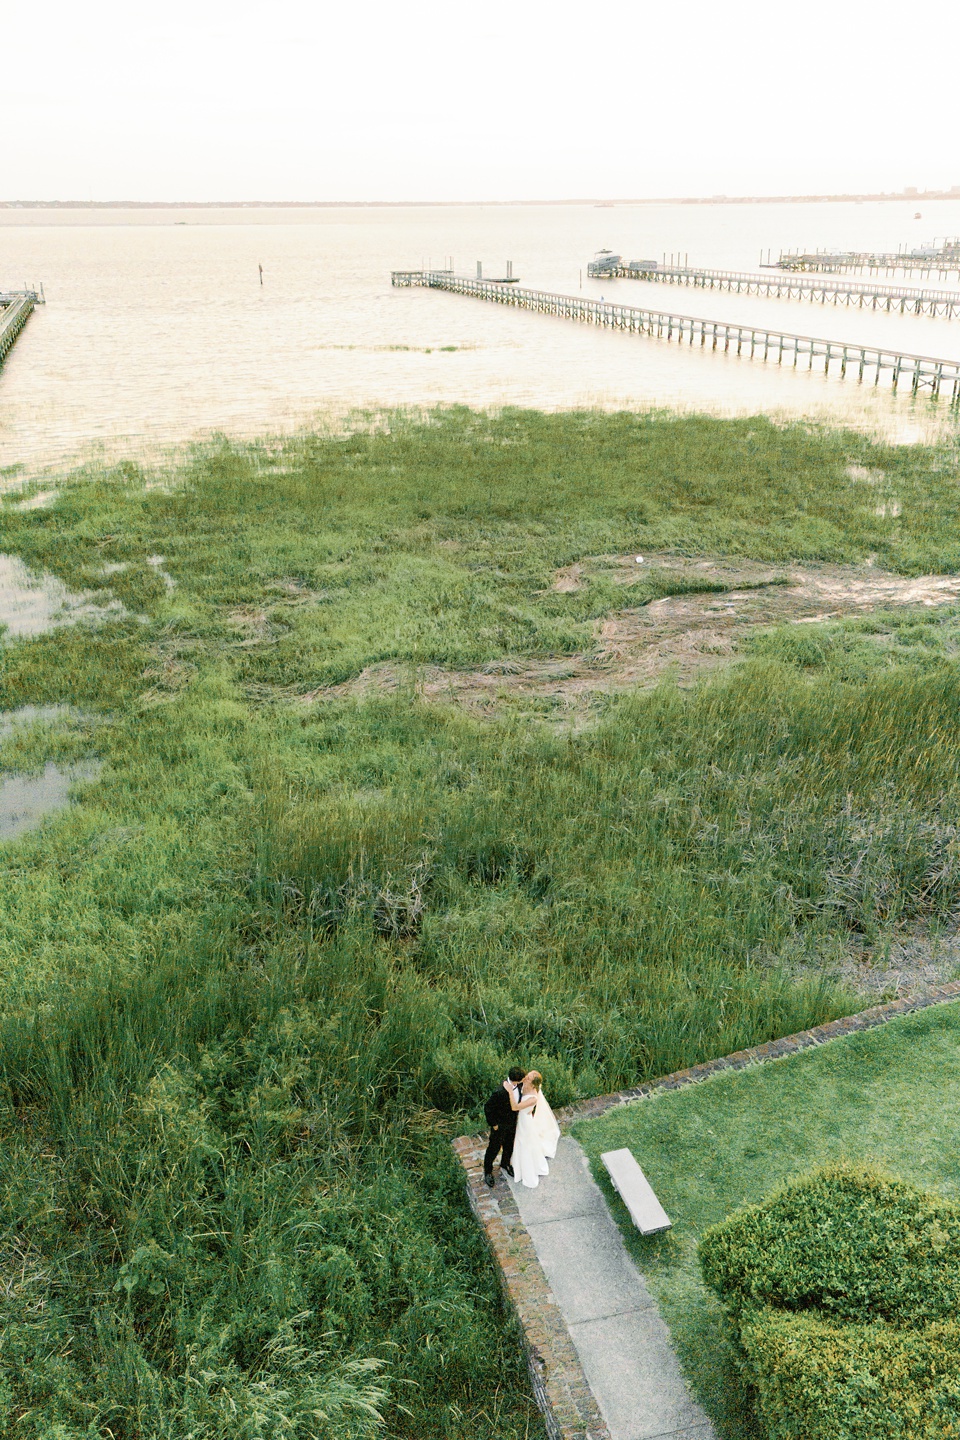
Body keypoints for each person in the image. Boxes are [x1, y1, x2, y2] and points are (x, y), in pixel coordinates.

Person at [503, 1071, 561, 1189]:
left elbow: (515, 1107)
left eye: (528, 1078)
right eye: (527, 1076)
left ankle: (524, 1168)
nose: (525, 1078)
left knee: (524, 1143)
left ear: (533, 1084)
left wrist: (509, 1091)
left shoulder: (533, 1098)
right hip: (521, 1118)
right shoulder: (524, 1083)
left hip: (525, 1122)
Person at [483, 1067, 525, 1188]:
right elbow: (488, 1108)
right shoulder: (499, 1091)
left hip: (512, 1124)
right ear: (515, 1081)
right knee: (493, 1148)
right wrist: (494, 1124)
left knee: (509, 1145)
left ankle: (505, 1164)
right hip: (500, 1126)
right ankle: (488, 1171)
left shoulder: (520, 1086)